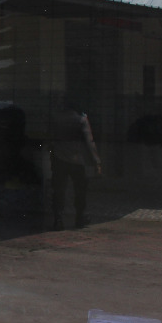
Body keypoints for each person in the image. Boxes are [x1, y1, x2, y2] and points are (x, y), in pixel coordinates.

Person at [50, 96, 101, 229]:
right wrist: (96, 161)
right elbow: (89, 142)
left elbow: (50, 137)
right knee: (80, 190)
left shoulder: (56, 118)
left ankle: (58, 220)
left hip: (59, 157)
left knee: (59, 190)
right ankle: (79, 218)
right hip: (77, 159)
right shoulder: (81, 119)